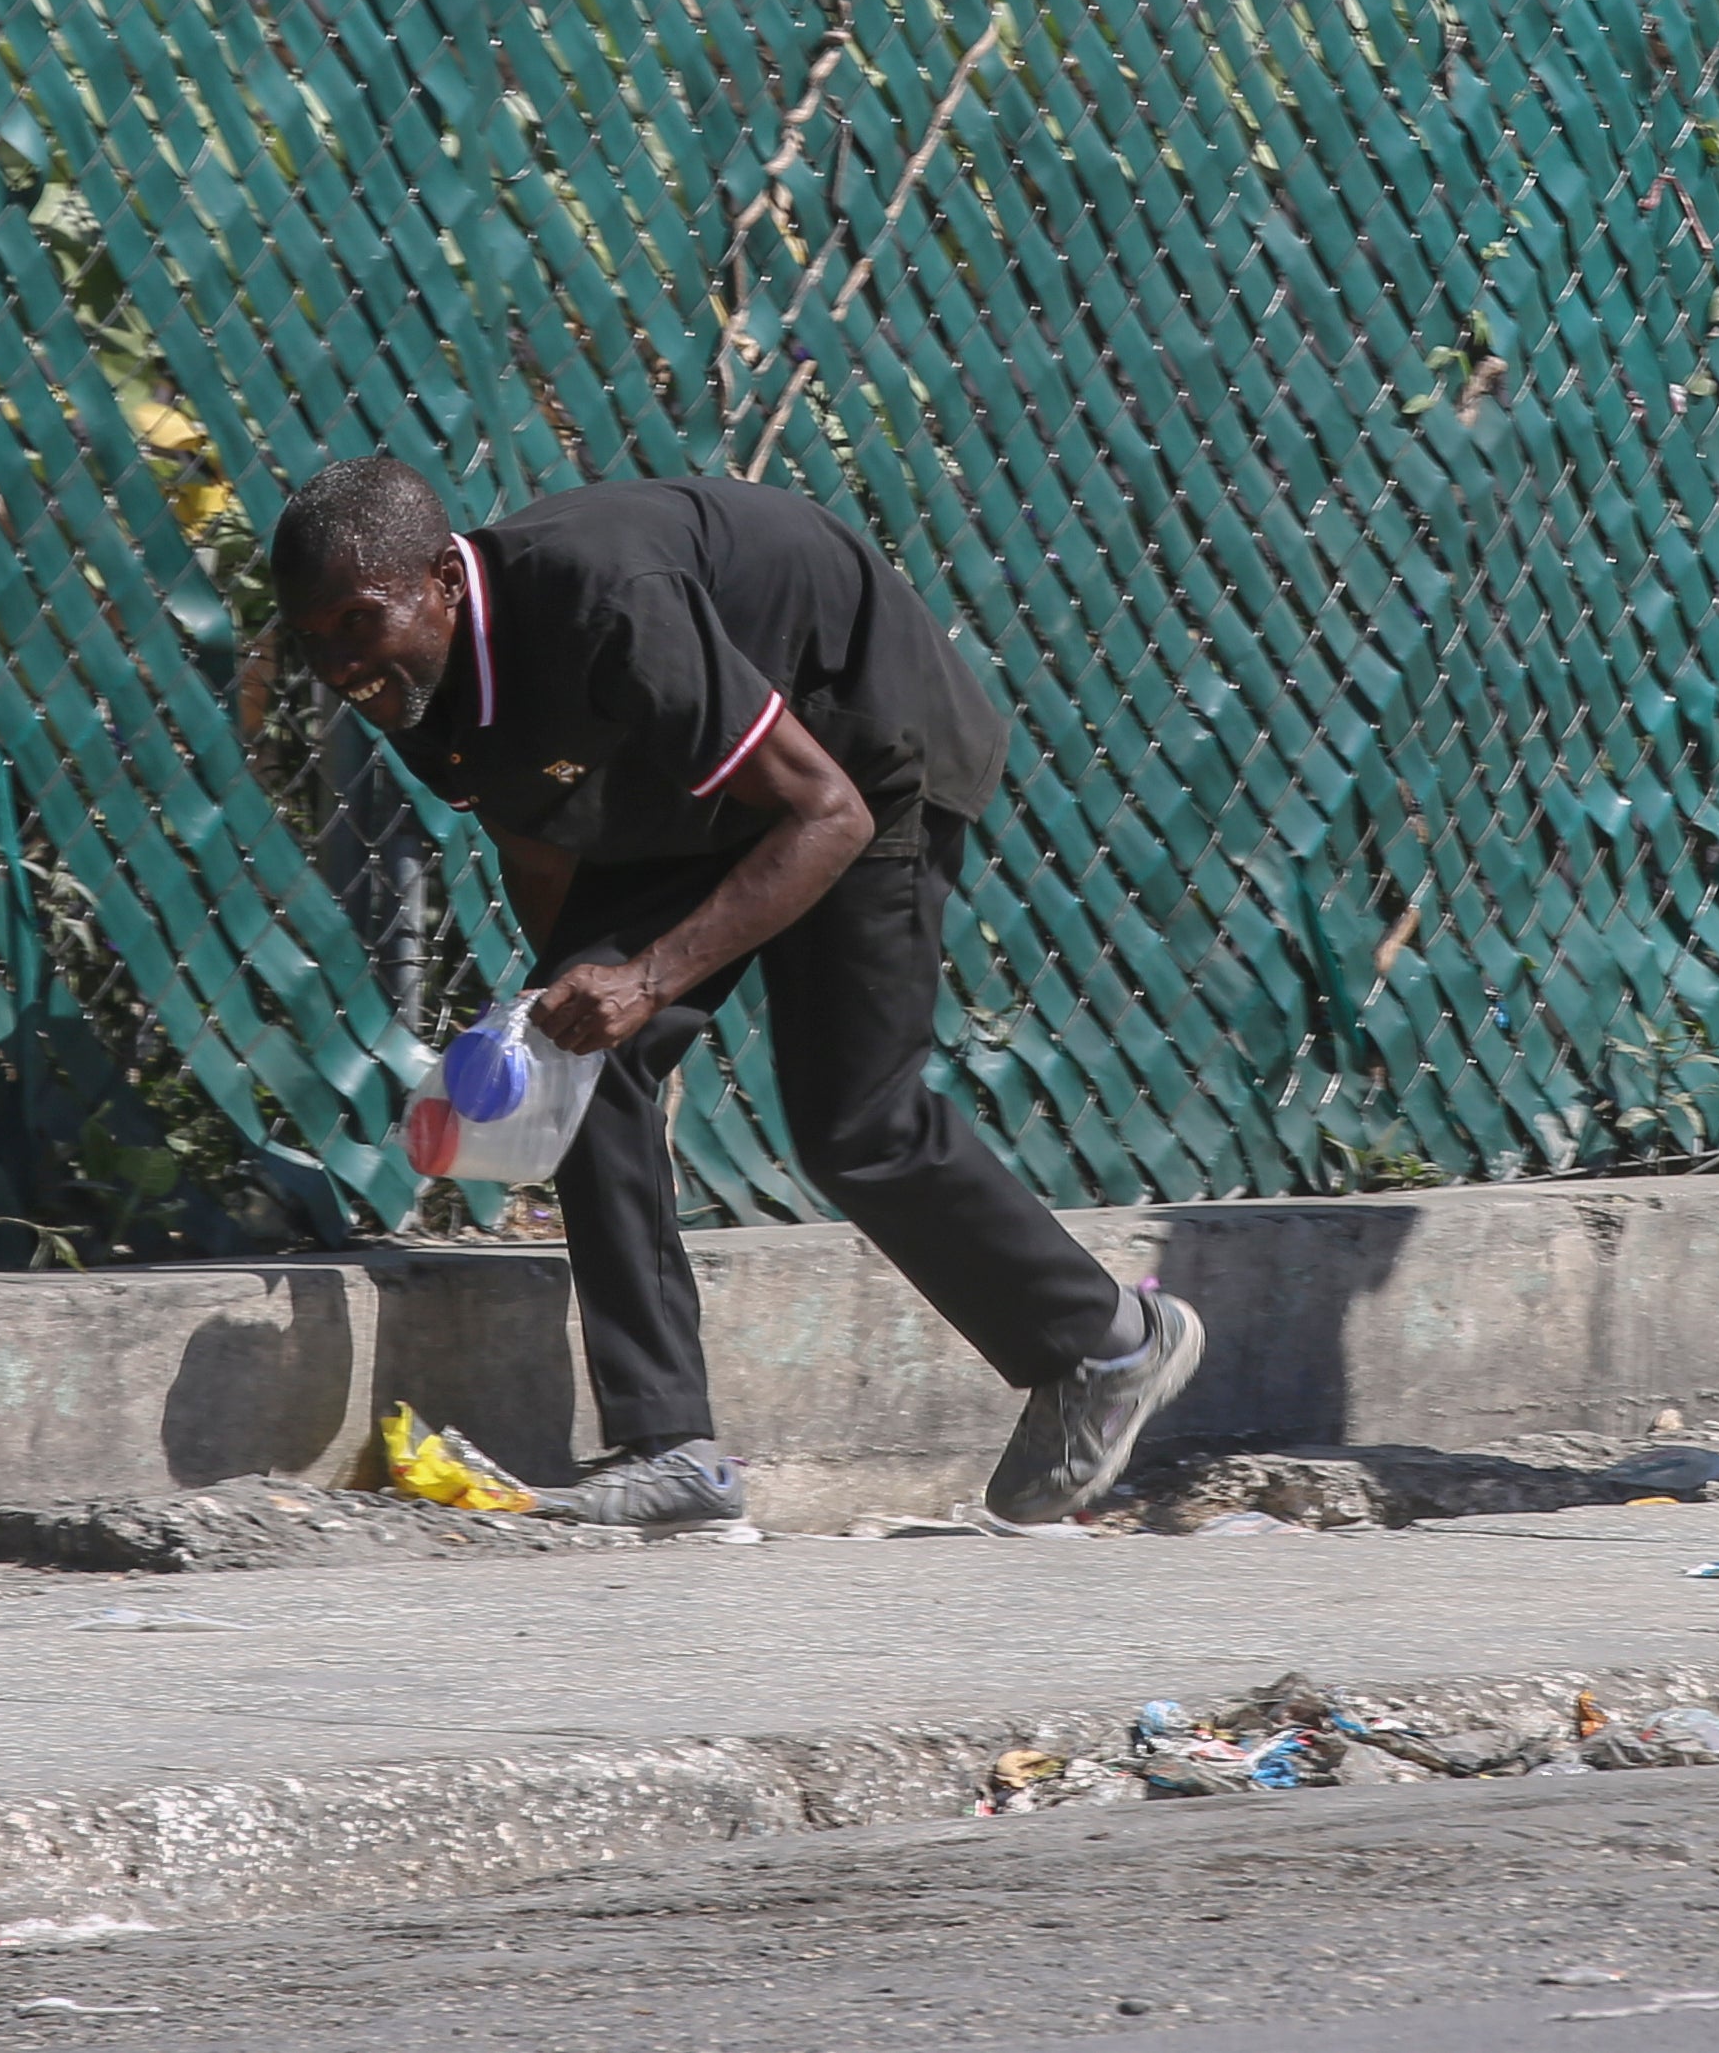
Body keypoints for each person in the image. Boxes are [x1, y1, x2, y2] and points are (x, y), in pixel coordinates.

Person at [269, 461, 1203, 1530]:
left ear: (443, 578)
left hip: (859, 747)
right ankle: (676, 1459)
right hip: (691, 795)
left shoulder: (601, 599)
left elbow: (825, 814)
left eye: (357, 620)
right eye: (314, 637)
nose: (340, 662)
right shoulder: (415, 678)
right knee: (580, 1061)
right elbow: (532, 839)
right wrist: (576, 1023)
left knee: (856, 1125)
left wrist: (650, 979)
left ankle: (1108, 1346)